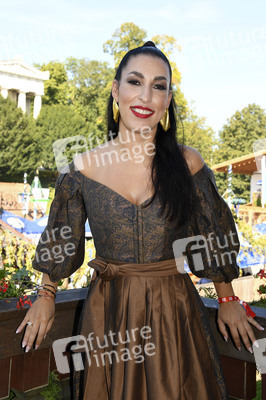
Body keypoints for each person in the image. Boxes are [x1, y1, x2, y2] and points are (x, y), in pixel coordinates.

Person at [16, 41, 263, 400]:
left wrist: (227, 302)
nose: (145, 96)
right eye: (135, 82)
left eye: (158, 86)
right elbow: (61, 237)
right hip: (108, 314)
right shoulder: (80, 168)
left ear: (167, 100)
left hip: (175, 313)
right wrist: (46, 294)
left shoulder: (187, 162)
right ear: (116, 90)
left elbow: (212, 235)